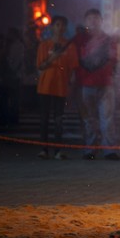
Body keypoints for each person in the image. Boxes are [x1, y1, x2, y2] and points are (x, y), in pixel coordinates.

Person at [74, 8, 120, 160]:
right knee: (89, 120)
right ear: (85, 22)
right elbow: (74, 60)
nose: (93, 21)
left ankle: (109, 150)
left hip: (105, 84)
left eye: (96, 18)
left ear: (101, 21)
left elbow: (113, 60)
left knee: (107, 119)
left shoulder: (108, 39)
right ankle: (90, 149)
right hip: (85, 84)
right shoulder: (80, 39)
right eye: (90, 19)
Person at [35, 16, 79, 159]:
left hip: (61, 86)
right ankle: (43, 149)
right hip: (45, 86)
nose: (60, 28)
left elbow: (73, 67)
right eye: (57, 25)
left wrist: (70, 84)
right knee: (44, 119)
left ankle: (58, 150)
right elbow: (40, 66)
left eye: (63, 25)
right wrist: (53, 58)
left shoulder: (70, 46)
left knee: (59, 119)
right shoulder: (44, 45)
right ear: (52, 27)